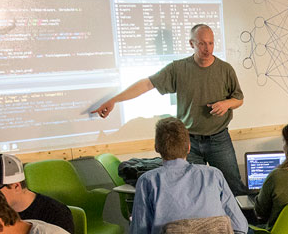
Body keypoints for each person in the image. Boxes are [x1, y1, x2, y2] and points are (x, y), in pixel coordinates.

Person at [93, 24, 246, 195]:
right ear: (191, 44)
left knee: (233, 186)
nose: (207, 49)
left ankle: (243, 222)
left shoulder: (225, 69)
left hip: (219, 138)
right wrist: (115, 100)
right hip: (189, 141)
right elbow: (147, 84)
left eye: (211, 43)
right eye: (202, 43)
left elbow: (239, 99)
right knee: (192, 190)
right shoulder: (178, 68)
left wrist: (226, 104)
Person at [129, 117, 247, 234]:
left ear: (157, 148)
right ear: (189, 147)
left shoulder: (147, 181)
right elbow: (240, 228)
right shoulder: (214, 175)